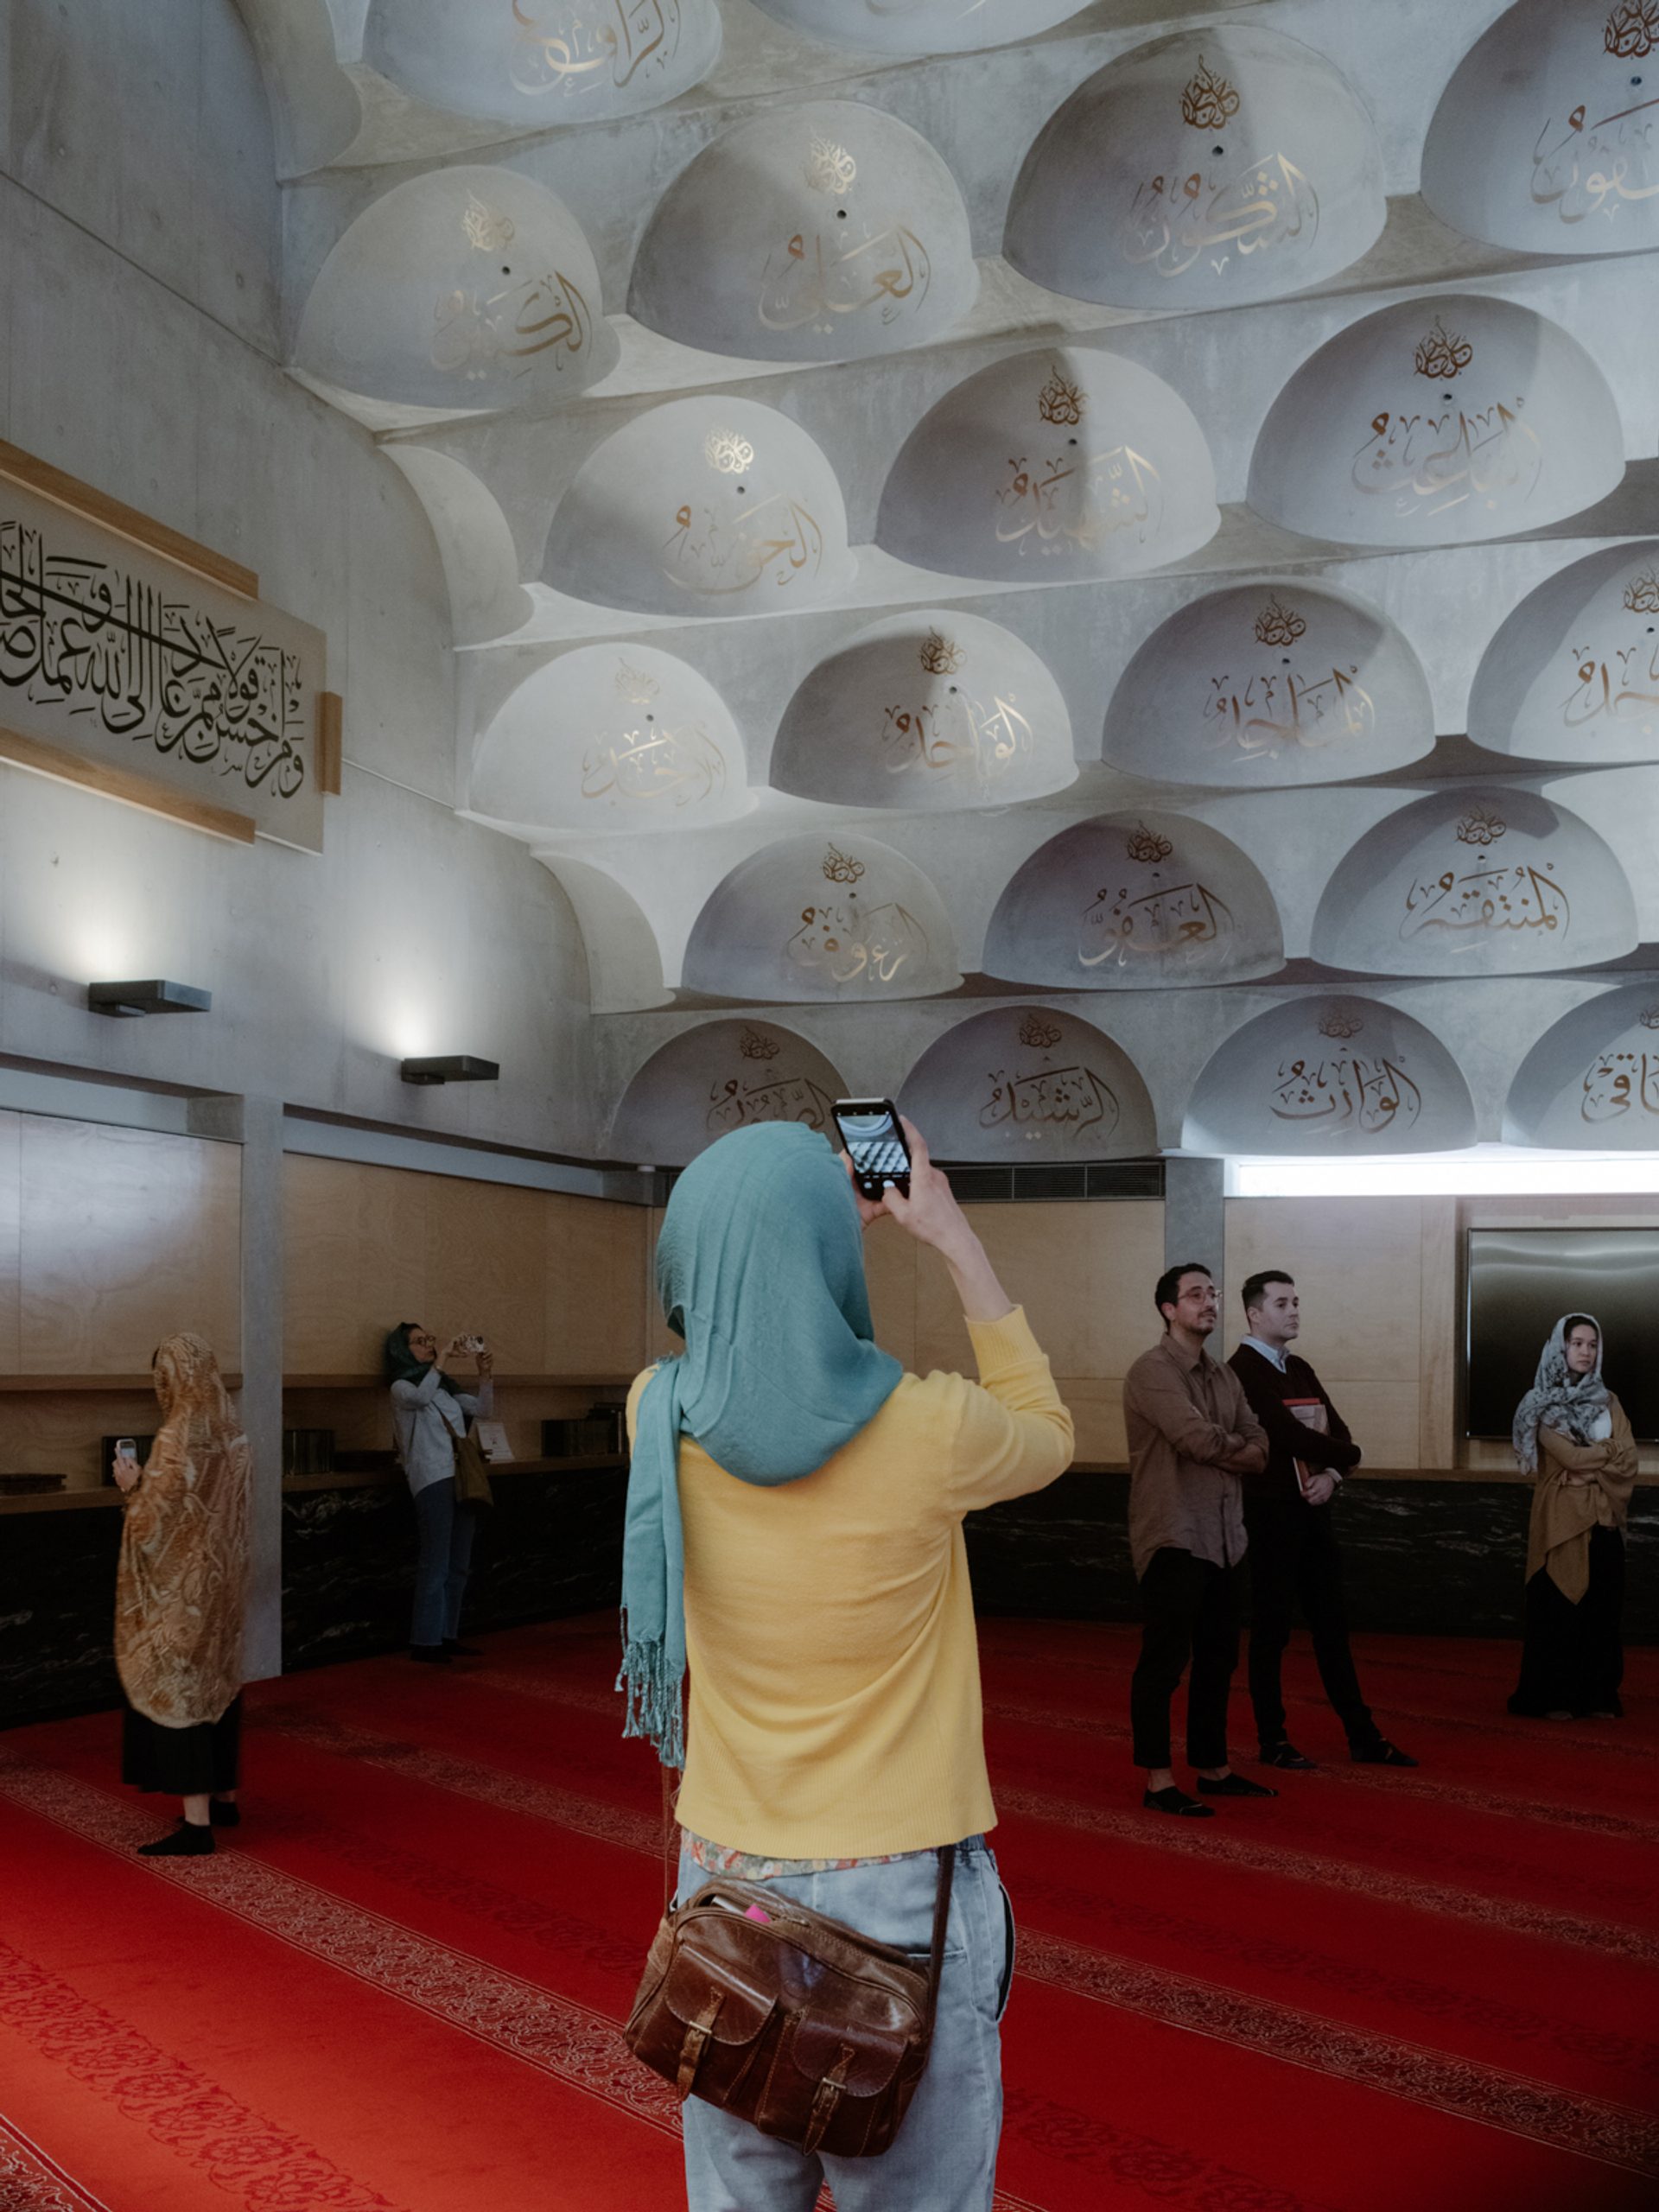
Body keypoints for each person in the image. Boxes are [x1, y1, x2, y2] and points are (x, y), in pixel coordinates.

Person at [620, 1117, 1072, 2212]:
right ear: (828, 1260)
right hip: (901, 1887)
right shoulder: (927, 1430)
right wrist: (947, 1231)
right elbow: (1048, 1430)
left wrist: (797, 1212)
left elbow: (743, 1325)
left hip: (728, 1872)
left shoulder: (658, 1413)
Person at [1229, 1271, 1414, 1770]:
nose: (1293, 1311)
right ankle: (1273, 1741)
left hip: (1314, 1515)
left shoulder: (1301, 1367)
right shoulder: (1241, 1371)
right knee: (1271, 1633)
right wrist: (1349, 1453)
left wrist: (1334, 1472)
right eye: (1282, 1303)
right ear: (1254, 1314)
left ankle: (1363, 1736)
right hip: (1268, 1519)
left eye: (1296, 1302)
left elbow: (1336, 1432)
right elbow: (1288, 1436)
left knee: (1332, 1628)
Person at [1122, 1262, 1273, 1818]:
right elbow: (1193, 1440)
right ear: (1168, 1309)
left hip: (1226, 1536)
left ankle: (1213, 1768)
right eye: (1195, 1295)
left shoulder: (1223, 1374)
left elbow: (1260, 1442)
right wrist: (1238, 1448)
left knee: (1218, 1660)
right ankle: (1159, 1781)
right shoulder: (1151, 1370)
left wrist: (1235, 1447)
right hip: (1175, 1535)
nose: (1209, 1302)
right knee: (1164, 1663)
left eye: (1212, 1293)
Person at [111, 1332, 251, 1856]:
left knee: (182, 1694)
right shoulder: (234, 1433)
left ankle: (197, 1827)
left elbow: (152, 1523)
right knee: (220, 1688)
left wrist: (131, 1487)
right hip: (225, 1588)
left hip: (182, 1597)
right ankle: (225, 1799)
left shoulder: (176, 1438)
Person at [1509, 1313, 1637, 1721]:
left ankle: (1598, 1695)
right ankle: (1554, 1696)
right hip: (1561, 1520)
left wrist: (1590, 1468)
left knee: (1602, 1610)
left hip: (1604, 1519)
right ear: (1560, 1348)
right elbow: (1568, 1457)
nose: (1585, 1351)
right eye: (1577, 1343)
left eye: (1592, 1344)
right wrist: (1607, 1455)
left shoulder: (1610, 1401)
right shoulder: (1540, 1402)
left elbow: (1629, 1457)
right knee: (1560, 1610)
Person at [385, 1322, 494, 1663]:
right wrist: (444, 1357)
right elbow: (419, 1398)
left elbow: (483, 1410)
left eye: (430, 1340)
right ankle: (425, 1639)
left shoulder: (444, 1388)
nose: (428, 1345)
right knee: (436, 1559)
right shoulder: (401, 1387)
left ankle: (448, 1633)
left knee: (458, 1560)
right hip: (431, 1478)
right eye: (420, 1342)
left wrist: (484, 1376)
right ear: (402, 1349)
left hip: (459, 1476)